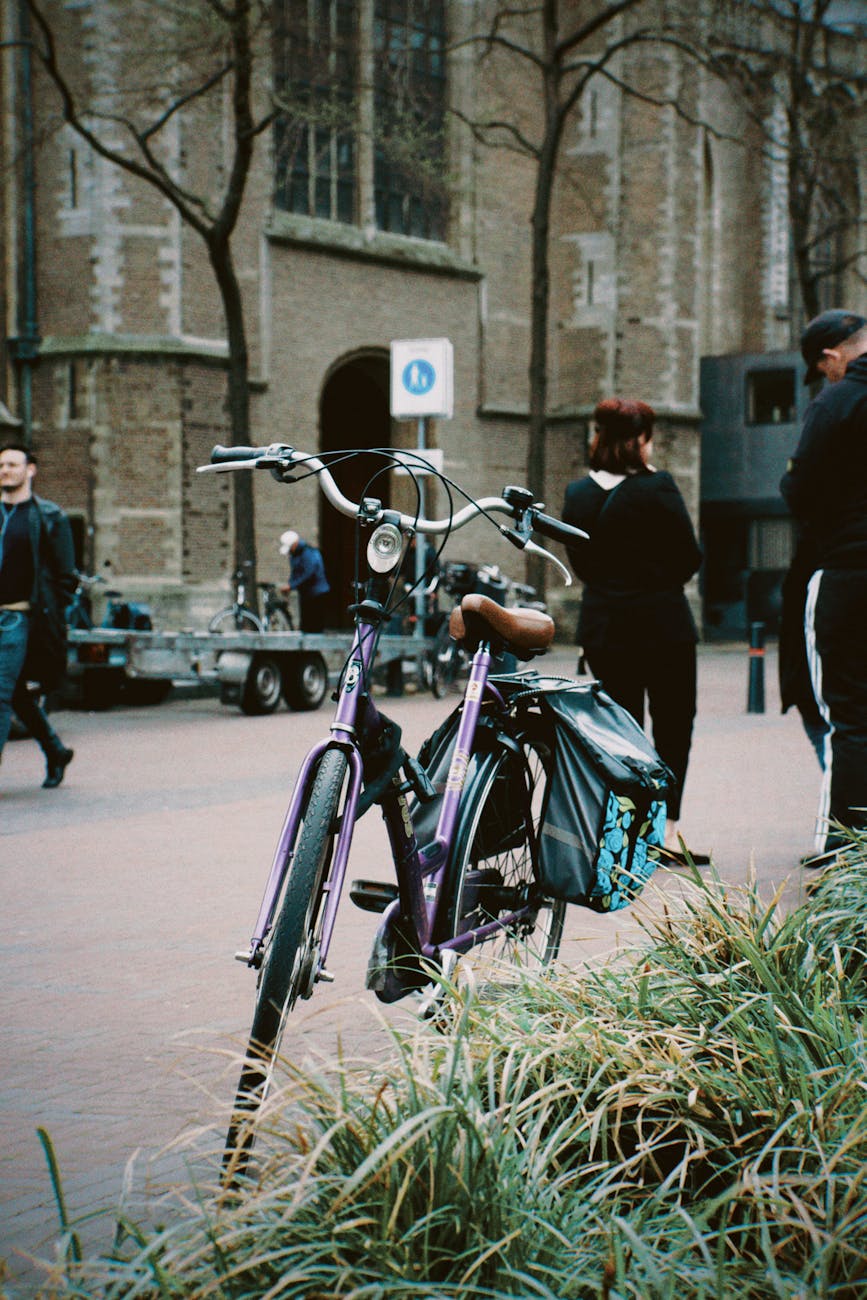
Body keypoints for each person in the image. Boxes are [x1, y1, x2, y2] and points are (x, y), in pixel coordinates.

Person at [562, 397, 705, 862]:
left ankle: (624, 838)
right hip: (664, 627)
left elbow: (580, 563)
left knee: (621, 734)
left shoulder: (577, 494)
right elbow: (690, 556)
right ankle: (658, 836)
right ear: (636, 441)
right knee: (671, 728)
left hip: (606, 628)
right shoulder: (659, 486)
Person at [780, 308, 867, 865]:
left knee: (851, 720)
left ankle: (849, 864)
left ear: (832, 356)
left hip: (852, 570)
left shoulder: (835, 403)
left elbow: (799, 487)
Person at [0, 441, 76, 787]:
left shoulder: (48, 516)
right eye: (1, 465)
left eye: (13, 464)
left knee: (1, 694)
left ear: (30, 470)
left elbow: (65, 576)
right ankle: (55, 750)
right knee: (14, 694)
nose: (5, 470)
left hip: (18, 618)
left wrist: (50, 616)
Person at [278, 529, 330, 633]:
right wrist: (290, 583)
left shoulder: (309, 553)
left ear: (295, 543)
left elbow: (308, 573)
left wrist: (291, 585)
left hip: (317, 593)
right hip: (306, 593)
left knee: (315, 625)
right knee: (305, 625)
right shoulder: (294, 554)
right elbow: (295, 572)